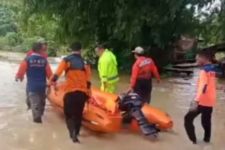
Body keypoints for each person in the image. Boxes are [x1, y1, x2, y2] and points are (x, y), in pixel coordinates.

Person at [50, 42, 91, 143]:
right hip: (82, 93)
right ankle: (76, 133)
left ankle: (72, 133)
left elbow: (57, 74)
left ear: (71, 49)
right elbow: (88, 81)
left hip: (70, 92)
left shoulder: (66, 60)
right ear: (81, 50)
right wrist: (88, 95)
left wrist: (51, 82)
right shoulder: (86, 62)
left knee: (69, 115)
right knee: (78, 115)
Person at [184, 50, 217, 144]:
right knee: (206, 121)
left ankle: (194, 142)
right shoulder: (212, 69)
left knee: (188, 119)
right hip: (210, 100)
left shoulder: (203, 71)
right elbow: (211, 84)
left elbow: (203, 86)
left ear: (203, 58)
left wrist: (196, 100)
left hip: (202, 100)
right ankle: (207, 141)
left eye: (198, 57)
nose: (196, 59)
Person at [15, 42, 53, 123]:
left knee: (35, 110)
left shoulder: (27, 59)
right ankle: (42, 128)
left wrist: (19, 77)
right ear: (41, 50)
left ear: (33, 49)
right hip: (42, 87)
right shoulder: (44, 61)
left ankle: (37, 129)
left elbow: (21, 72)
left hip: (32, 88)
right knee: (41, 108)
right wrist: (53, 84)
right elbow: (50, 75)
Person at [25, 40, 48, 110]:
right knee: (30, 93)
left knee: (41, 97)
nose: (45, 49)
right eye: (44, 47)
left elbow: (46, 67)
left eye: (46, 47)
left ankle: (38, 108)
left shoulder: (45, 55)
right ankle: (29, 105)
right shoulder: (30, 54)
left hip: (41, 78)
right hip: (32, 78)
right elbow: (26, 64)